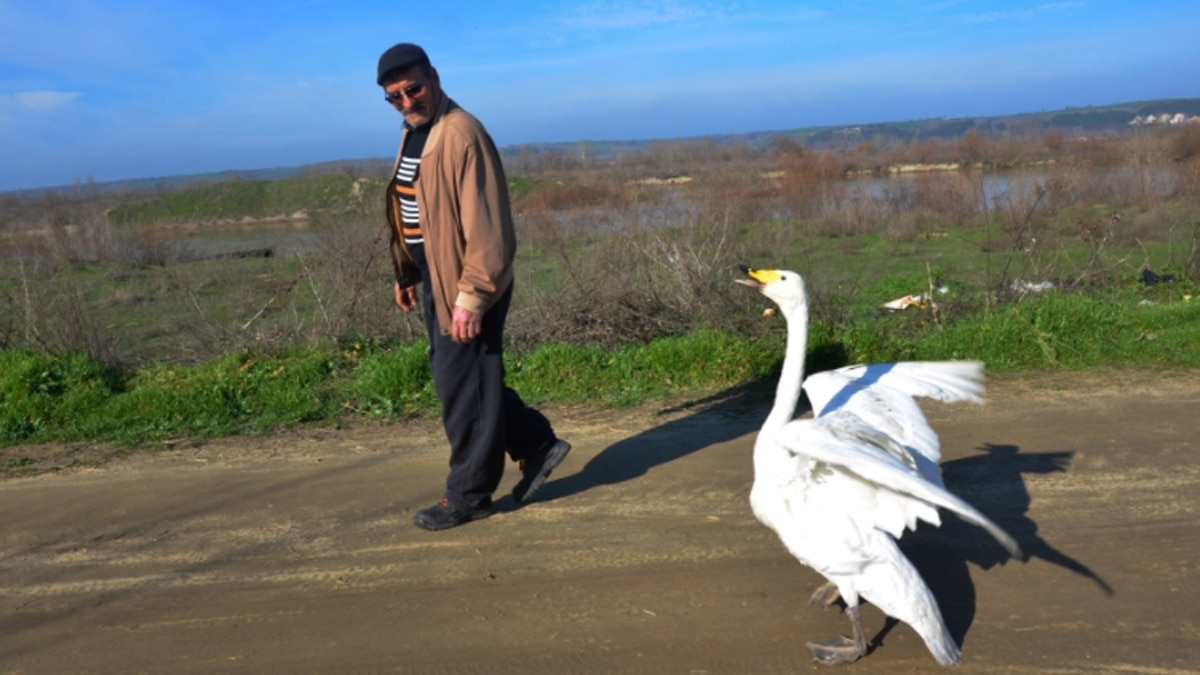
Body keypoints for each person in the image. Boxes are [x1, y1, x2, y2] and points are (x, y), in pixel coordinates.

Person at [376, 43, 571, 531]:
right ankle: (534, 443)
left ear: (434, 78)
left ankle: (470, 494)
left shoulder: (461, 133)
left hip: (467, 287)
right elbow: (414, 211)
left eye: (412, 89)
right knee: (466, 381)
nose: (406, 102)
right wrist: (406, 272)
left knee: (462, 388)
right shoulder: (416, 132)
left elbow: (489, 230)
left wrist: (472, 298)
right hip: (436, 280)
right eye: (394, 97)